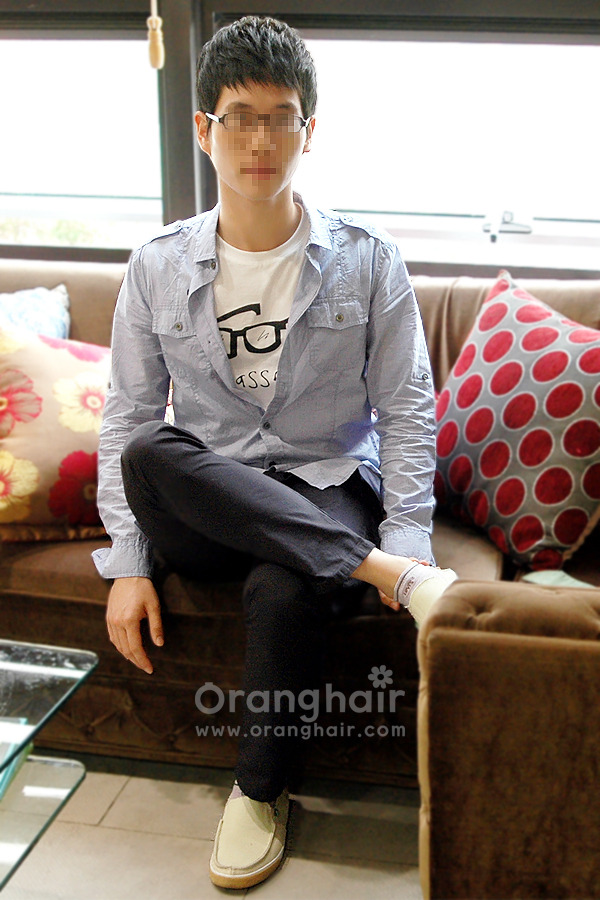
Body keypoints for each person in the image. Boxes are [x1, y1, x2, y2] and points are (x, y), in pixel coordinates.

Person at [94, 15, 457, 890]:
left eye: (280, 118)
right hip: (206, 500)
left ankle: (258, 794)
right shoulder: (155, 265)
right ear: (204, 129)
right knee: (150, 450)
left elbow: (407, 410)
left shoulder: (368, 261)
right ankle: (389, 577)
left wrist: (408, 530)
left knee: (285, 583)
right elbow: (128, 414)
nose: (260, 140)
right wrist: (129, 564)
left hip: (325, 482)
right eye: (239, 118)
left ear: (309, 130)